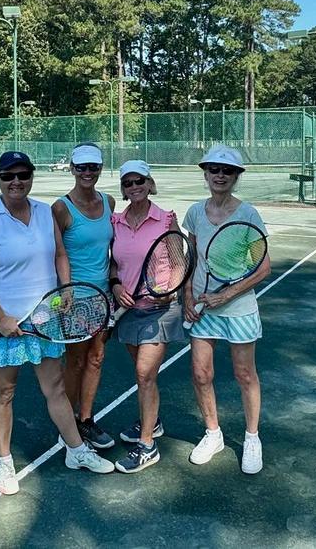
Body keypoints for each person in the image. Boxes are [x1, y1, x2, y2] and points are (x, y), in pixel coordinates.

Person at [0, 150, 113, 495]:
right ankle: (4, 461)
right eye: (8, 176)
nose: (16, 182)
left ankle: (76, 450)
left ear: (31, 177)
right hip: (4, 324)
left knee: (56, 388)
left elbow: (60, 254)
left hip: (44, 318)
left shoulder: (46, 212)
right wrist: (0, 317)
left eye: (23, 175)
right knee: (4, 392)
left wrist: (65, 289)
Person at [182, 145, 271, 475]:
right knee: (201, 374)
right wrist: (186, 296)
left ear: (236, 176)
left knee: (245, 375)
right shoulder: (194, 213)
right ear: (205, 173)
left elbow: (263, 267)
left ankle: (252, 438)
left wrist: (227, 294)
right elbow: (191, 258)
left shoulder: (248, 215)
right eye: (214, 170)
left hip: (238, 308)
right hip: (202, 306)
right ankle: (213, 434)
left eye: (227, 171)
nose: (220, 175)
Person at [109, 159, 186, 473]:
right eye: (128, 183)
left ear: (150, 184)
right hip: (129, 311)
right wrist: (115, 285)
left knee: (144, 374)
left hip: (160, 311)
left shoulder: (166, 220)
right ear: (123, 189)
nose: (134, 187)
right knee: (143, 376)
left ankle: (147, 446)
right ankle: (151, 422)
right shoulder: (116, 222)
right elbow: (114, 263)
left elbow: (179, 262)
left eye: (139, 181)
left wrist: (171, 290)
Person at [52, 143, 116, 450]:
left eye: (93, 167)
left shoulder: (109, 202)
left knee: (97, 357)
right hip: (75, 298)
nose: (87, 172)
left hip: (104, 297)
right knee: (75, 362)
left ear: (100, 168)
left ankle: (85, 419)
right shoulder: (61, 208)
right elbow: (57, 253)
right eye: (81, 167)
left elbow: (113, 249)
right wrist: (65, 289)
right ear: (72, 169)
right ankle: (66, 424)